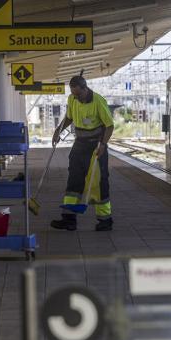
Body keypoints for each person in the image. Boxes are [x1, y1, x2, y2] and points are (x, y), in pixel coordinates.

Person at [50, 73, 115, 231]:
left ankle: (105, 220)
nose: (76, 97)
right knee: (74, 181)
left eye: (78, 94)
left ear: (85, 88)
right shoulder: (72, 99)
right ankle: (69, 219)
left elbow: (109, 125)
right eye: (73, 94)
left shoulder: (98, 101)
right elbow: (69, 117)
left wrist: (103, 145)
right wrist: (58, 131)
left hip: (95, 148)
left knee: (99, 183)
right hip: (79, 145)